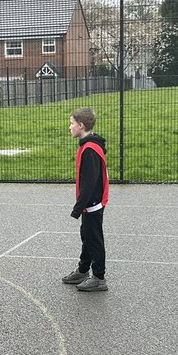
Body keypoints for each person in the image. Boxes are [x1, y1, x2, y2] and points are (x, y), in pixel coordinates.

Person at [61, 107, 109, 292]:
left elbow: (90, 183)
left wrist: (78, 207)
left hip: (93, 204)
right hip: (90, 204)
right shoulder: (88, 146)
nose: (70, 127)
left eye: (72, 123)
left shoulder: (90, 149)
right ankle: (83, 270)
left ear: (81, 125)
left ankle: (99, 277)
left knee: (94, 239)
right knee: (87, 236)